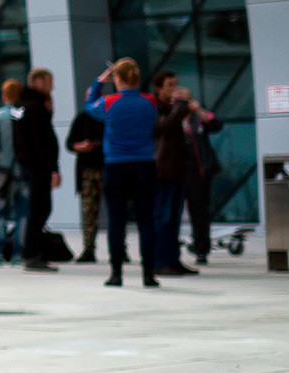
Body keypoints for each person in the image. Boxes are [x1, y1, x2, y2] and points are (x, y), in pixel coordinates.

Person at [84, 58, 161, 288]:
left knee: (116, 222)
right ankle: (148, 274)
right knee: (146, 221)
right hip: (145, 165)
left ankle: (116, 273)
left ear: (116, 78)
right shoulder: (150, 102)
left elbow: (89, 106)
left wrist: (99, 83)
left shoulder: (109, 103)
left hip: (116, 166)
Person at [149, 71, 199, 276]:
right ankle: (160, 262)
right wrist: (181, 106)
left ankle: (173, 260)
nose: (175, 89)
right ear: (159, 89)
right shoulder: (155, 108)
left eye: (176, 84)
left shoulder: (172, 108)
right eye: (170, 85)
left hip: (177, 171)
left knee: (175, 218)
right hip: (162, 172)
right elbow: (163, 126)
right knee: (163, 217)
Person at [16, 68, 62, 271]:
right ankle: (32, 254)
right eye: (49, 81)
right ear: (39, 81)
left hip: (29, 165)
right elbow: (41, 140)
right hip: (37, 166)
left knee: (36, 209)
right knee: (40, 208)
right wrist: (52, 168)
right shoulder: (36, 107)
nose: (52, 86)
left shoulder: (22, 105)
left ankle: (31, 252)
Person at [177, 89, 223, 266]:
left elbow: (216, 124)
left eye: (184, 101)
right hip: (177, 170)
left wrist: (198, 110)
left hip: (199, 170)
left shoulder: (198, 119)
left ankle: (201, 248)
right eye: (177, 101)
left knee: (200, 211)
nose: (180, 105)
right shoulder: (172, 119)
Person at [0, 80, 25, 266]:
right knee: (22, 212)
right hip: (22, 170)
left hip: (3, 169)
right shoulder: (23, 115)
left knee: (0, 212)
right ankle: (18, 253)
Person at [65, 106, 106, 263]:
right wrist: (80, 146)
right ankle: (89, 248)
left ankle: (120, 248)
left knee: (116, 209)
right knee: (89, 210)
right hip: (87, 169)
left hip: (106, 167)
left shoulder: (108, 116)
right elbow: (70, 143)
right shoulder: (82, 118)